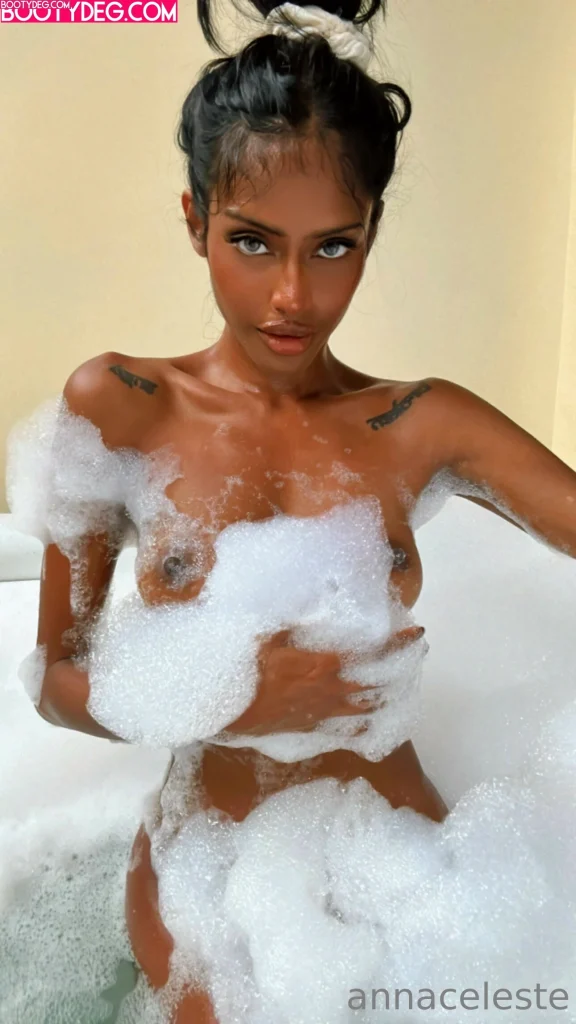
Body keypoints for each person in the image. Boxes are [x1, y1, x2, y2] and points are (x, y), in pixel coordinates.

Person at [32, 0, 576, 1020]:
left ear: (370, 235)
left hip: (404, 861)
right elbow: (57, 682)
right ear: (195, 219)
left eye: (332, 248)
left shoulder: (419, 422)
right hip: (214, 873)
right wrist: (230, 702)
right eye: (252, 241)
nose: (291, 294)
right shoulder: (120, 406)